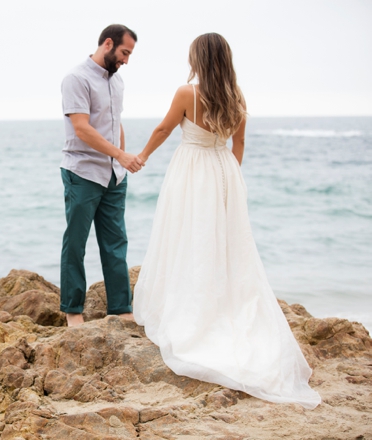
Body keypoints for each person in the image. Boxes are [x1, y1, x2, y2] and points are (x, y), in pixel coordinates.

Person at [133, 33, 321, 408]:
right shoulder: (237, 96)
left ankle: (193, 307)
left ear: (198, 59)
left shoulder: (188, 93)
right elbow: (239, 145)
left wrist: (142, 156)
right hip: (224, 173)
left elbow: (163, 129)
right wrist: (229, 177)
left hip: (192, 172)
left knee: (189, 237)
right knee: (222, 242)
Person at [60, 24, 144, 327]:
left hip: (113, 175)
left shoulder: (117, 82)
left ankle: (121, 309)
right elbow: (81, 128)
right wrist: (120, 154)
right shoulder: (76, 78)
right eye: (124, 52)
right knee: (76, 242)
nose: (126, 60)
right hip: (82, 171)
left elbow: (114, 121)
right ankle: (73, 311)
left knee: (115, 243)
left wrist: (120, 161)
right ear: (108, 44)